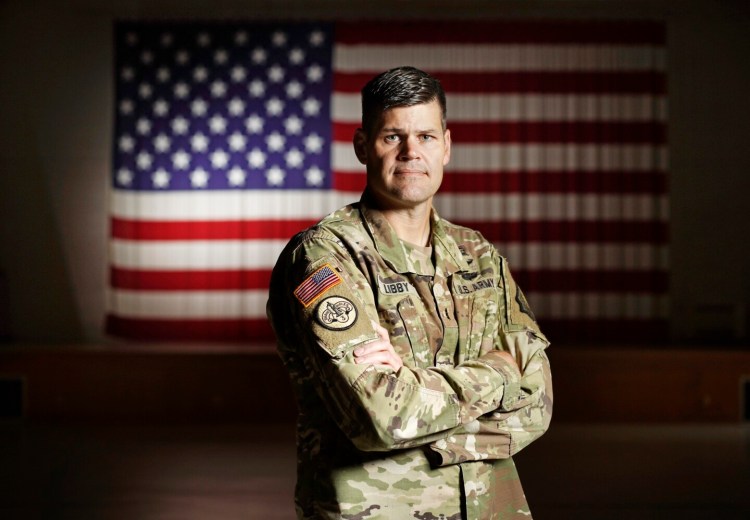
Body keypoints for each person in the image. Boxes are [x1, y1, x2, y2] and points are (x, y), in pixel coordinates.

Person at [267, 66, 552, 520]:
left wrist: (416, 394)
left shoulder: (477, 254)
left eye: (426, 136)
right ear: (363, 146)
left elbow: (538, 403)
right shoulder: (325, 257)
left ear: (447, 145)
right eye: (392, 137)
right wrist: (499, 372)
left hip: (491, 508)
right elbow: (381, 417)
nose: (411, 152)